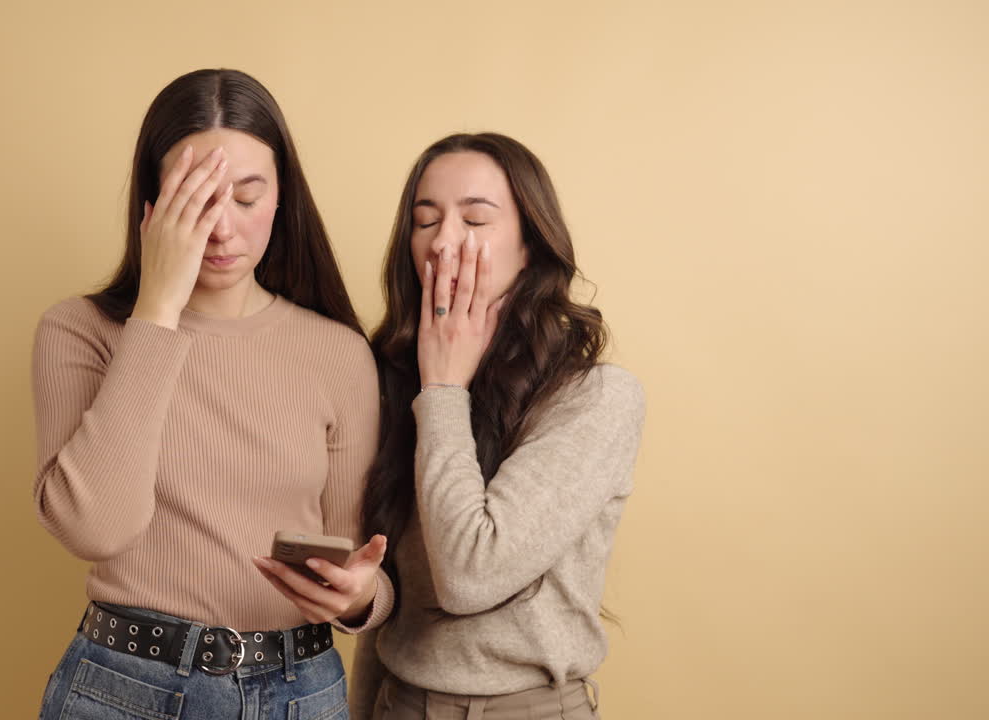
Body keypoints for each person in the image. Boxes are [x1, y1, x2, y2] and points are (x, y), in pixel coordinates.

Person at [32, 68, 392, 720]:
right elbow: (96, 527)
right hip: (125, 689)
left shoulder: (337, 353)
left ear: (282, 197)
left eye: (247, 198)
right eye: (196, 201)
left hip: (298, 691)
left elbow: (353, 555)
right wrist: (159, 307)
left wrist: (365, 598)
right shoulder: (81, 332)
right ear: (151, 203)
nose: (222, 229)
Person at [351, 133, 646, 719]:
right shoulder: (392, 381)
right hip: (399, 704)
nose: (444, 242)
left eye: (475, 219)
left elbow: (470, 577)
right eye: (425, 220)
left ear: (530, 246)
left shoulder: (597, 398)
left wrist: (443, 390)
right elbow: (390, 606)